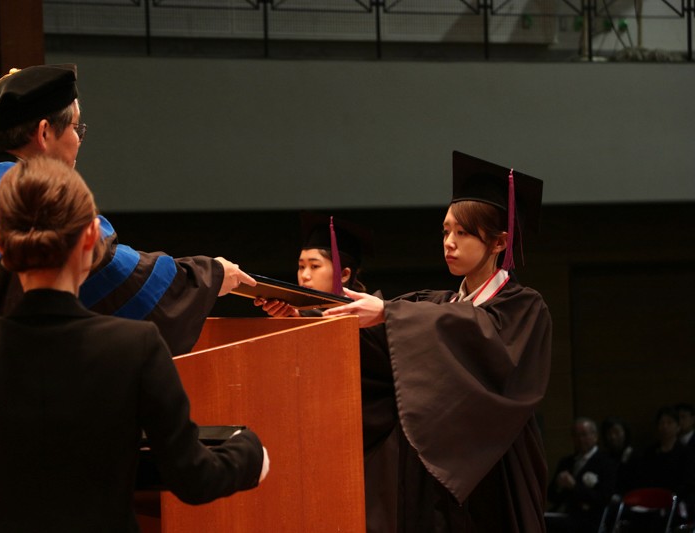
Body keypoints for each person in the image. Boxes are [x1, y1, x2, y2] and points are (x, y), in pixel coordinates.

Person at [0, 63, 255, 456]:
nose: (79, 141)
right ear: (44, 132)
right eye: (76, 129)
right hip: (12, 447)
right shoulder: (35, 202)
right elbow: (115, 275)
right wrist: (209, 275)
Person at [0, 157, 269, 531]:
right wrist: (250, 452)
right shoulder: (134, 347)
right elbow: (192, 476)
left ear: (0, 246)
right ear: (91, 237)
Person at [322, 151, 552, 532]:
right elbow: (384, 348)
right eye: (446, 231)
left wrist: (389, 313)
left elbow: (481, 336)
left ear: (500, 242)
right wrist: (305, 316)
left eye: (463, 233)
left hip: (494, 468)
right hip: (433, 478)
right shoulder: (436, 305)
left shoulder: (523, 307)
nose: (449, 243)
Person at [254, 212, 371, 318]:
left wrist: (300, 314)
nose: (304, 276)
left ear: (343, 274)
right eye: (301, 267)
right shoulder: (291, 316)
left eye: (315, 266)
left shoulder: (370, 318)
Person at [546, 417, 617, 533]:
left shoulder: (606, 463)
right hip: (561, 513)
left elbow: (603, 498)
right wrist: (558, 486)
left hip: (587, 518)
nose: (580, 439)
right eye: (576, 435)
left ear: (595, 436)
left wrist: (574, 486)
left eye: (584, 435)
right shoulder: (566, 462)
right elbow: (551, 496)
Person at [600, 416, 638, 494]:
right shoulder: (603, 457)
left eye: (617, 432)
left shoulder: (635, 456)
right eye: (609, 433)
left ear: (625, 432)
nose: (613, 437)